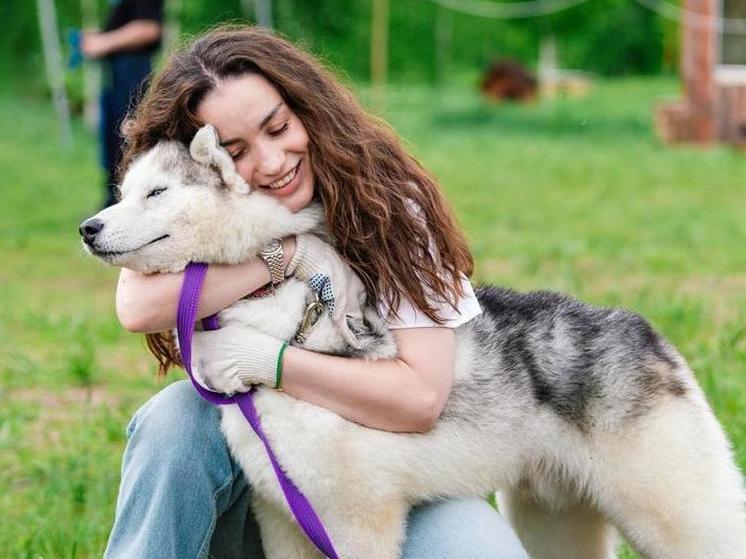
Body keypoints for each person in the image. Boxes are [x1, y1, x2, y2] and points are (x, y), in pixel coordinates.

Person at [105, 26, 528, 559]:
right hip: (257, 483)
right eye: (236, 151)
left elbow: (420, 399)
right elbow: (138, 306)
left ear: (308, 110)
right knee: (174, 421)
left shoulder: (391, 208)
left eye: (278, 128)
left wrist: (271, 361)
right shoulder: (199, 213)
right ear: (204, 161)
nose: (273, 161)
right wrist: (288, 255)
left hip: (391, 470)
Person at [82, 0, 164, 208]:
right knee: (113, 140)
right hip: (118, 71)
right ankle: (112, 201)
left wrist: (103, 42)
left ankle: (127, 203)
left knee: (127, 140)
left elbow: (148, 29)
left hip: (133, 71)